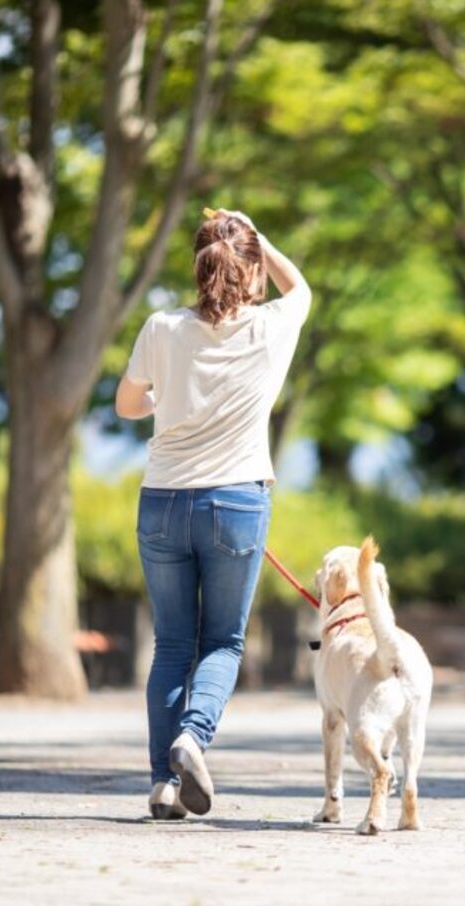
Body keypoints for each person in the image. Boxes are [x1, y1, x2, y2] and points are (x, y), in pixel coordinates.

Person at [114, 209, 310, 819]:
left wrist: (167, 397)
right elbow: (299, 288)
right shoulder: (271, 327)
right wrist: (257, 236)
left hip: (163, 500)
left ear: (198, 267)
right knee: (222, 641)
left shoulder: (162, 327)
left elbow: (126, 406)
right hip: (237, 502)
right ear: (250, 271)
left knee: (172, 644)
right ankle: (192, 738)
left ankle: (160, 785)